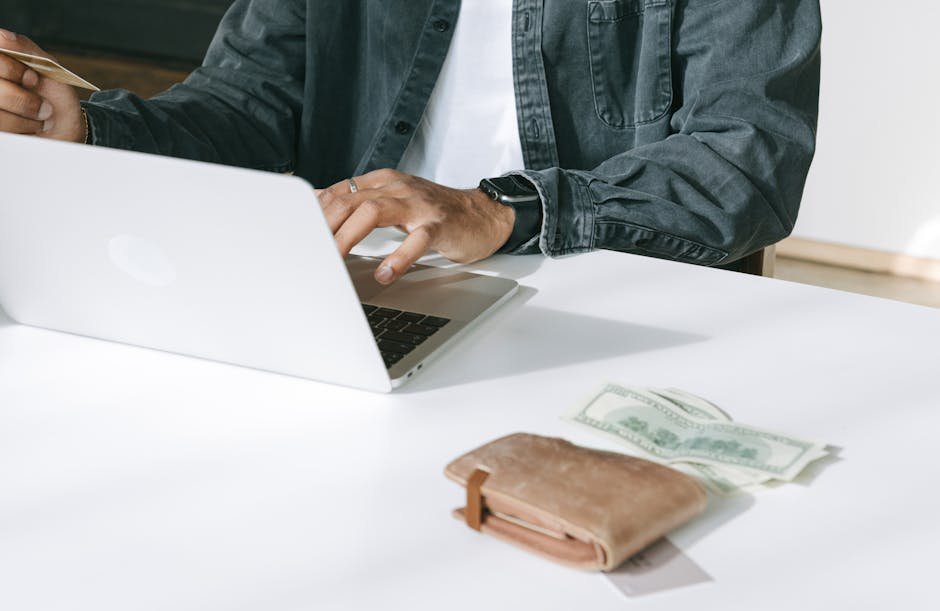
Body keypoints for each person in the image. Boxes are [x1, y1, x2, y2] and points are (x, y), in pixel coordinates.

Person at [0, 0, 821, 285]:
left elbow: (745, 158)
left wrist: (496, 211)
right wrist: (92, 125)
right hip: (371, 286)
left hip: (606, 294)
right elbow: (248, 106)